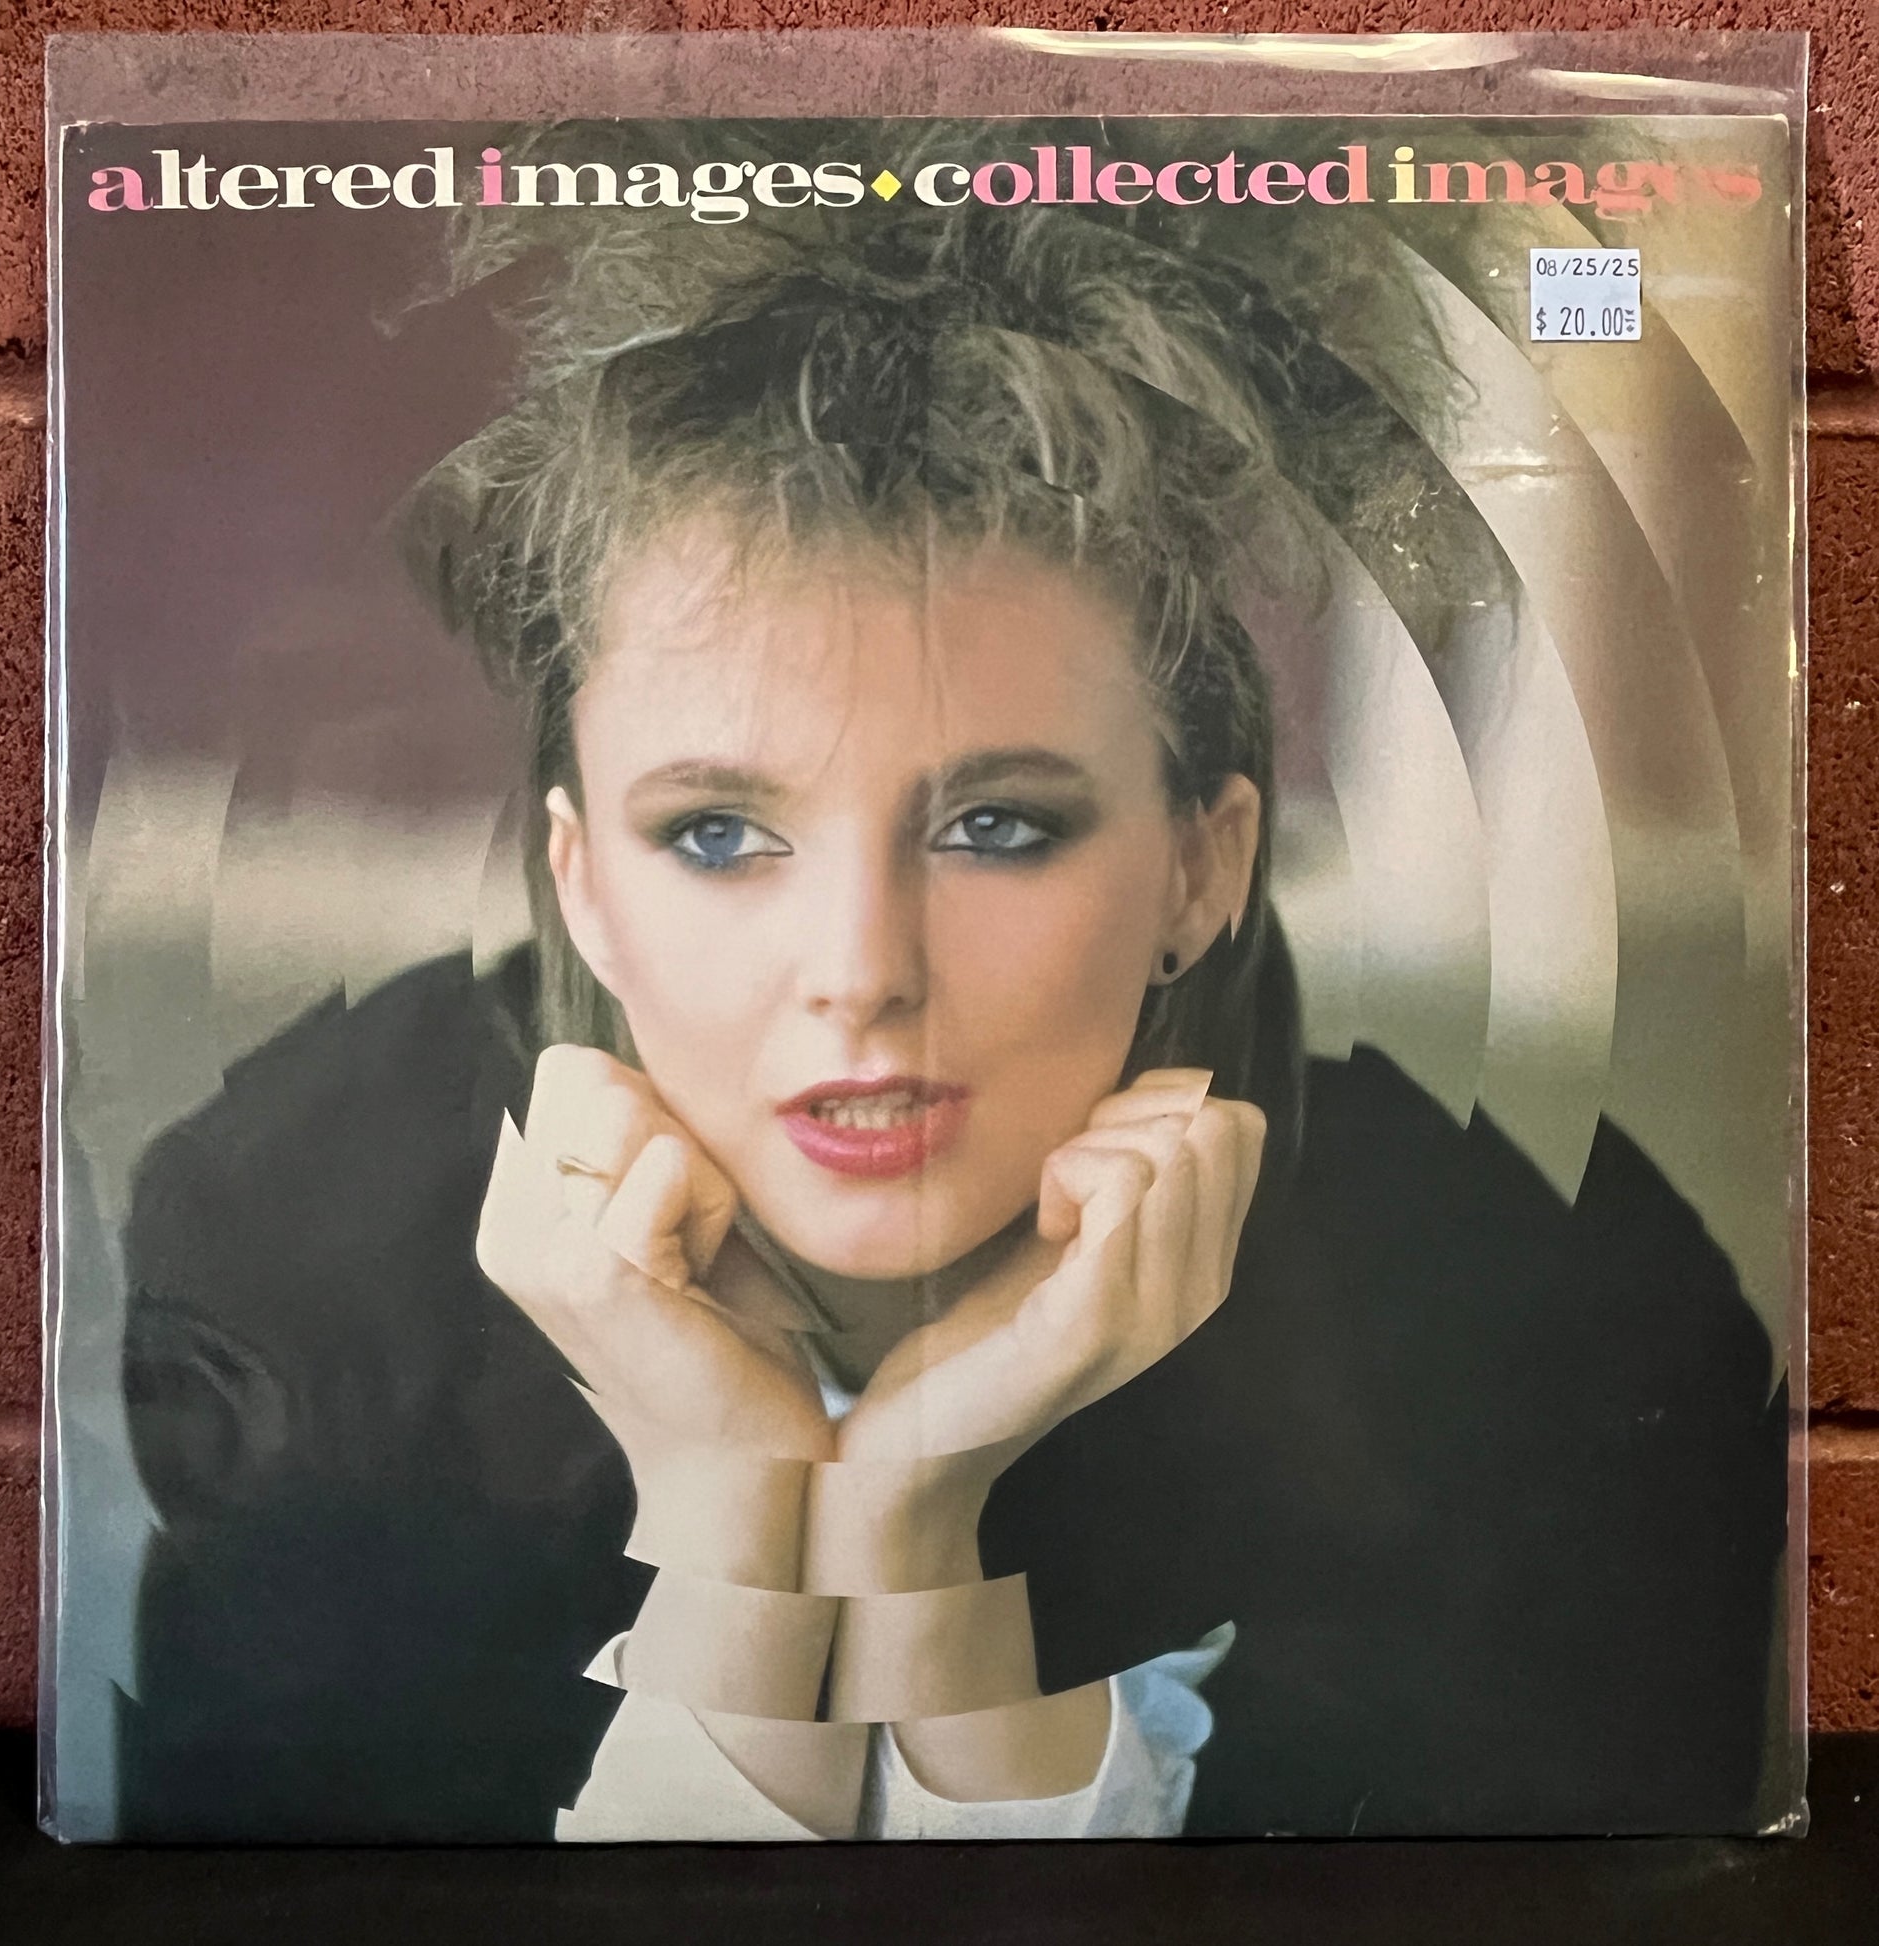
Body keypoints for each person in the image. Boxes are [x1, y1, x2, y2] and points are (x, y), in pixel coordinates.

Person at [116, 173, 1788, 1841]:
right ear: (584, 885)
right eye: (717, 834)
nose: (860, 968)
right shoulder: (292, 1284)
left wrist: (923, 1522)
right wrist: (732, 1514)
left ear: (1199, 868)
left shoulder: (1559, 1336)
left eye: (995, 825)